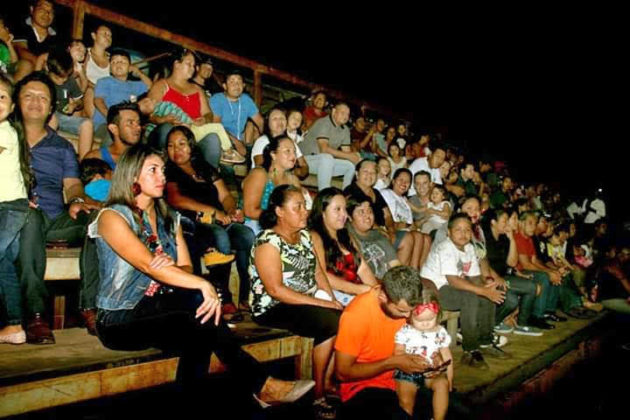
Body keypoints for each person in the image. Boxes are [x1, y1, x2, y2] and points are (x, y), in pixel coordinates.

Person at [88, 143, 315, 408]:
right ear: (132, 176)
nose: (162, 176)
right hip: (118, 319)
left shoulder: (169, 220)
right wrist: (199, 283)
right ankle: (262, 385)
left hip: (159, 311)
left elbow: (185, 268)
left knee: (200, 329)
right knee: (201, 304)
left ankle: (204, 406)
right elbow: (150, 266)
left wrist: (175, 270)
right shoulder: (112, 217)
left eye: (163, 170)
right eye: (153, 170)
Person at [14, 71, 100, 344]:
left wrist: (76, 201)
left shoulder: (62, 147)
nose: (36, 102)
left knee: (99, 219)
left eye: (43, 98)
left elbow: (73, 185)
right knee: (30, 217)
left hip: (55, 218)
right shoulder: (5, 137)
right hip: (19, 221)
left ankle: (89, 306)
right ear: (17, 102)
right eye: (29, 96)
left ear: (51, 107)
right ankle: (36, 315)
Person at [249, 184, 342, 415]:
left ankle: (328, 382)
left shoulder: (305, 237)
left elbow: (318, 272)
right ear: (279, 212)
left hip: (303, 302)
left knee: (341, 315)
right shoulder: (268, 241)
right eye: (297, 207)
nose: (304, 212)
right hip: (273, 307)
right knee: (330, 320)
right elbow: (275, 290)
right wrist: (324, 304)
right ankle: (319, 394)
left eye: (304, 206)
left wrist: (332, 299)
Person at [165, 126, 253, 314]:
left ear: (191, 146)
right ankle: (223, 295)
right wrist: (213, 212)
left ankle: (246, 295)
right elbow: (175, 199)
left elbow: (225, 196)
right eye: (171, 146)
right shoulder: (169, 171)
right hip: (194, 224)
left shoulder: (204, 168)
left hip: (219, 219)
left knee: (246, 235)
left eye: (181, 144)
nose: (176, 150)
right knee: (219, 235)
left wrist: (231, 210)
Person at [335, 266, 440, 419]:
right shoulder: (356, 315)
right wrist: (392, 363)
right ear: (383, 296)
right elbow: (342, 373)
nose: (409, 316)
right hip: (364, 388)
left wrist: (430, 359)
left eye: (412, 310)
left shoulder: (407, 306)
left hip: (402, 380)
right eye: (402, 311)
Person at [420, 213, 508, 369]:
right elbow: (453, 280)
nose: (463, 234)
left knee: (487, 294)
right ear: (449, 232)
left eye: (467, 230)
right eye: (458, 230)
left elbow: (474, 277)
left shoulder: (469, 249)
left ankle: (486, 341)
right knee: (471, 297)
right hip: (434, 289)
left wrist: (486, 287)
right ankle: (470, 350)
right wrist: (481, 291)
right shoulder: (446, 247)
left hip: (452, 287)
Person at [148, 48, 223, 168]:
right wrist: (162, 120)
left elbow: (208, 114)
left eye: (194, 65)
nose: (193, 68)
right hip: (166, 134)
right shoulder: (162, 85)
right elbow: (148, 113)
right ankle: (165, 171)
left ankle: (209, 181)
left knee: (213, 139)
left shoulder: (197, 89)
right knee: (167, 129)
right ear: (177, 64)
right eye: (189, 64)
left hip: (191, 135)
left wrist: (204, 119)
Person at [0, 74, 31, 344]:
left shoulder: (5, 131)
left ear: (11, 108)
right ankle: (14, 325)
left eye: (2, 97)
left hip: (10, 207)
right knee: (4, 265)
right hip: (6, 207)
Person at [309, 188, 378, 306]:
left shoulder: (346, 235)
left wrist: (377, 291)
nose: (344, 215)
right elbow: (322, 275)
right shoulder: (315, 237)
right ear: (323, 212)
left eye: (345, 209)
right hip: (334, 294)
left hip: (358, 291)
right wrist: (358, 290)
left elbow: (363, 269)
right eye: (337, 209)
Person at [482, 209, 543, 336]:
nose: (507, 224)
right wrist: (497, 277)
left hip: (505, 277)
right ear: (493, 222)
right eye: (504, 221)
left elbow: (512, 263)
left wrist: (512, 240)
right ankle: (492, 324)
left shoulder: (504, 238)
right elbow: (483, 262)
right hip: (489, 277)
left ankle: (522, 324)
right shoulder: (485, 238)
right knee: (511, 300)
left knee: (532, 287)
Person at [394, 292, 453, 419]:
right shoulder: (405, 331)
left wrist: (449, 378)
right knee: (406, 400)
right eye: (420, 321)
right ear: (410, 316)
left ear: (437, 315)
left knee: (442, 384)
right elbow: (398, 353)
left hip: (431, 372)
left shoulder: (440, 332)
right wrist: (410, 360)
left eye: (430, 319)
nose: (425, 324)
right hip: (407, 372)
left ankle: (438, 418)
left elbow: (447, 356)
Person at [242, 135, 310, 236]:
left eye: (294, 152)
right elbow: (250, 211)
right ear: (273, 155)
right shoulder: (260, 174)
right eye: (287, 151)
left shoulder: (293, 180)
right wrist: (280, 216)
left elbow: (300, 209)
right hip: (256, 224)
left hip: (284, 225)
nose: (293, 156)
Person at [93, 49, 152, 140]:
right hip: (105, 125)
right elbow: (98, 101)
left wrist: (139, 73)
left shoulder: (135, 85)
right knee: (116, 132)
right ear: (110, 69)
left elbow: (152, 88)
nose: (118, 64)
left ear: (129, 67)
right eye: (114, 62)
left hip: (128, 126)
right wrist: (112, 118)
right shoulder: (104, 81)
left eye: (123, 62)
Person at [46, 48, 94, 160]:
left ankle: (84, 165)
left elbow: (80, 101)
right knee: (53, 119)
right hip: (47, 117)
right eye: (57, 77)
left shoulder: (70, 81)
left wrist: (74, 105)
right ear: (49, 69)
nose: (62, 81)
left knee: (87, 124)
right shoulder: (42, 80)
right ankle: (44, 156)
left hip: (63, 117)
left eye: (65, 77)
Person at [298, 101, 358, 191]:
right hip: (305, 161)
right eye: (342, 113)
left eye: (347, 114)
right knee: (327, 158)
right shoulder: (323, 122)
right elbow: (324, 149)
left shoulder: (345, 130)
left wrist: (356, 158)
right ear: (334, 112)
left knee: (350, 166)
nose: (346, 116)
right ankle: (324, 194)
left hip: (325, 164)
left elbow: (347, 153)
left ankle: (347, 195)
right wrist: (349, 156)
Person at [209, 68, 263, 156]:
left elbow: (260, 121)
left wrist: (263, 141)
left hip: (241, 139)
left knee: (253, 127)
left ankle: (251, 156)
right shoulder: (217, 99)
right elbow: (216, 126)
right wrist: (237, 143)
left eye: (239, 82)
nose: (236, 85)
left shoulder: (246, 100)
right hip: (222, 138)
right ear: (225, 86)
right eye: (232, 82)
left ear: (244, 85)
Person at [380, 168, 425, 269]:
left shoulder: (405, 200)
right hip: (390, 229)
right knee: (417, 236)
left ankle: (416, 271)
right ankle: (409, 272)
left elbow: (409, 223)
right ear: (393, 181)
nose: (404, 183)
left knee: (426, 238)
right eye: (401, 179)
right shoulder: (385, 193)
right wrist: (402, 225)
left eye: (407, 181)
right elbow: (384, 217)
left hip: (404, 230)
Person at [346, 197, 401, 280]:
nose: (368, 216)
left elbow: (396, 265)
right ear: (349, 217)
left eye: (370, 211)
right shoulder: (346, 236)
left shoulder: (379, 236)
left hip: (387, 283)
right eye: (361, 212)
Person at [250, 107, 308, 177]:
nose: (279, 121)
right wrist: (283, 173)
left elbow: (304, 165)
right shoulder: (262, 141)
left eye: (282, 118)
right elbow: (261, 167)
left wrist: (298, 172)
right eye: (275, 119)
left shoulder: (291, 143)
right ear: (268, 123)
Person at [83, 101, 142, 169]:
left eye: (138, 123)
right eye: (130, 123)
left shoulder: (145, 158)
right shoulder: (96, 159)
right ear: (114, 129)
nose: (138, 127)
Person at [12, 0, 57, 81]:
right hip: (19, 70)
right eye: (42, 9)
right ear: (32, 10)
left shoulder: (56, 37)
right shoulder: (21, 27)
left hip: (47, 76)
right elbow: (21, 50)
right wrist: (41, 64)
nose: (47, 14)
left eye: (50, 11)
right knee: (26, 65)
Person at [343, 158, 389, 227]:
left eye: (373, 172)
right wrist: (380, 232)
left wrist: (391, 230)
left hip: (383, 230)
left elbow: (387, 215)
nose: (369, 175)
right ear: (357, 174)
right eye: (365, 171)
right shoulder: (350, 191)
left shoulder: (376, 192)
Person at [82, 24, 112, 119]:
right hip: (87, 91)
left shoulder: (112, 59)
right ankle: (94, 122)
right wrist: (96, 87)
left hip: (106, 94)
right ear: (94, 36)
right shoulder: (85, 54)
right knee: (91, 92)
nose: (108, 37)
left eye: (110, 35)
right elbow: (80, 75)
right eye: (105, 34)